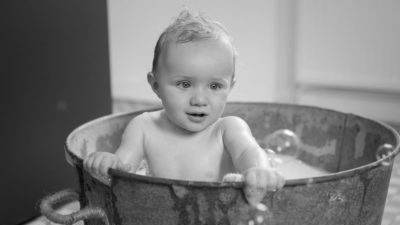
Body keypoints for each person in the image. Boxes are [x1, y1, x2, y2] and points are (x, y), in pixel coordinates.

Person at [83, 10, 284, 206]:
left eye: (214, 86)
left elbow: (249, 152)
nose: (199, 99)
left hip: (220, 220)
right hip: (160, 216)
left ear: (229, 87)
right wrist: (107, 164)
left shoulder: (228, 129)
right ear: (156, 86)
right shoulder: (143, 127)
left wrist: (259, 171)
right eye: (184, 84)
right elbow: (122, 172)